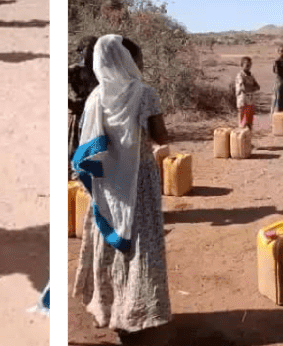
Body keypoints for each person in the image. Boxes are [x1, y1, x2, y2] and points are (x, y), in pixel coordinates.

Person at [72, 35, 171, 343]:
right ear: (127, 61)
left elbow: (86, 148)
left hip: (108, 185)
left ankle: (112, 308)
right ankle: (140, 310)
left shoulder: (95, 98)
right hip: (139, 181)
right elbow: (160, 136)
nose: (139, 64)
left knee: (113, 246)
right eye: (137, 58)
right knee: (142, 246)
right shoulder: (145, 95)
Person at [68, 36, 100, 176]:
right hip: (78, 117)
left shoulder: (101, 72)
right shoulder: (74, 71)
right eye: (89, 50)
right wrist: (71, 104)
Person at [235, 56, 260, 130]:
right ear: (242, 65)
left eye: (249, 64)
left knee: (249, 121)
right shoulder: (240, 75)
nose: (248, 66)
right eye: (246, 64)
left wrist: (250, 87)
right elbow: (244, 88)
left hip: (250, 99)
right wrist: (252, 88)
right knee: (242, 121)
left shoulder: (251, 75)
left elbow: (258, 86)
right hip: (243, 99)